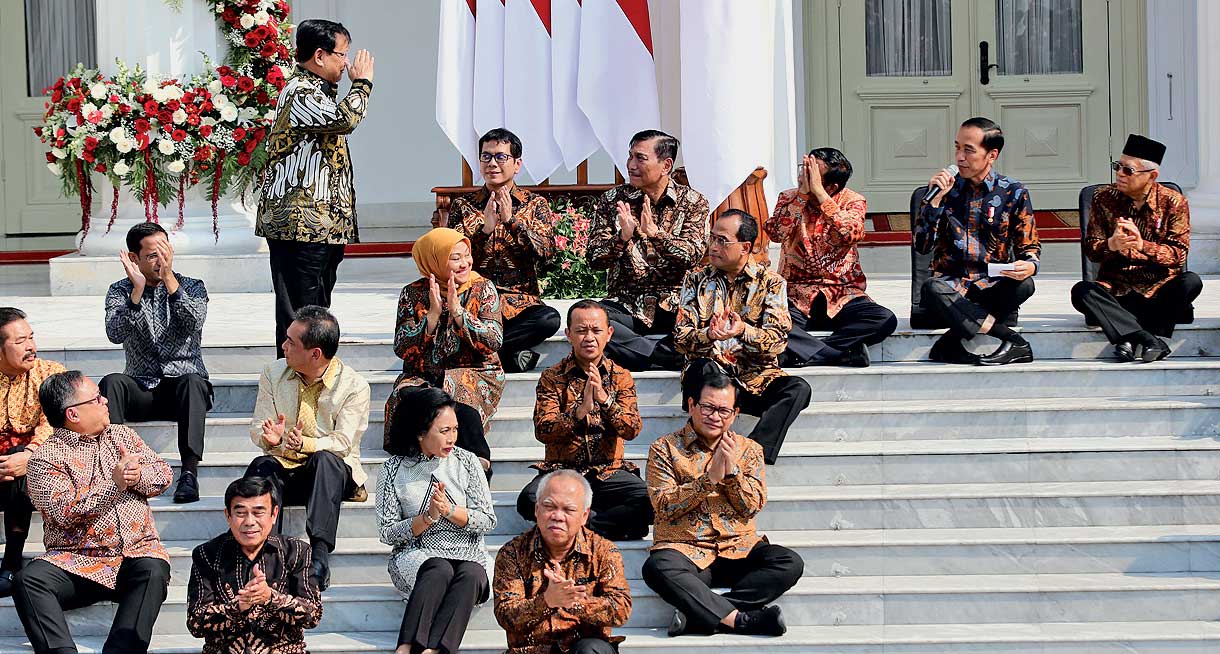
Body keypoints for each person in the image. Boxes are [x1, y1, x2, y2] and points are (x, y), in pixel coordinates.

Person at [14, 370, 173, 654]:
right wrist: (115, 484)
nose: (106, 401)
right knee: (29, 580)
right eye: (97, 398)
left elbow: (162, 473)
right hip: (77, 561)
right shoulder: (44, 460)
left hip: (134, 556)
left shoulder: (122, 434)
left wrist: (137, 476)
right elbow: (64, 512)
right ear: (73, 414)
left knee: (153, 570)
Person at [642, 369, 803, 638]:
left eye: (723, 411)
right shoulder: (664, 449)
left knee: (789, 562)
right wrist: (708, 480)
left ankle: (701, 615)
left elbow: (752, 505)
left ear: (735, 413)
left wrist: (731, 475)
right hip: (686, 550)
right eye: (708, 407)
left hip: (737, 548)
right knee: (657, 567)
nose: (715, 416)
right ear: (692, 405)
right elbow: (663, 505)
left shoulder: (749, 450)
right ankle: (742, 620)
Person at [257, 18, 375, 354]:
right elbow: (344, 120)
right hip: (299, 227)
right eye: (342, 54)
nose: (347, 64)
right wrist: (363, 84)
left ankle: (314, 378)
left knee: (318, 311)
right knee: (300, 314)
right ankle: (292, 382)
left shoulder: (319, 91)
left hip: (321, 227)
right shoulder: (299, 92)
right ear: (320, 55)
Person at [246, 305, 371, 592]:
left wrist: (306, 444)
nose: (283, 346)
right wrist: (271, 440)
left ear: (315, 353)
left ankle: (320, 558)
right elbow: (257, 428)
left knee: (326, 459)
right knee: (260, 467)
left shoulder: (354, 386)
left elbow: (343, 442)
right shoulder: (272, 373)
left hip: (330, 476)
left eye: (291, 342)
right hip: (285, 468)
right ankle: (262, 556)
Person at [674, 209, 812, 465]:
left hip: (755, 379)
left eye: (722, 240)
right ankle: (701, 447)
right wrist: (708, 335)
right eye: (712, 238)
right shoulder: (695, 281)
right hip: (711, 379)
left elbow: (778, 341)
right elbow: (680, 338)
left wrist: (742, 331)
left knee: (798, 389)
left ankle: (752, 454)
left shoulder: (771, 283)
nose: (713, 246)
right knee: (700, 369)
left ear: (745, 246)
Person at [516, 300, 653, 541]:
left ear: (609, 334)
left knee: (649, 500)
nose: (589, 337)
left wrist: (606, 401)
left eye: (596, 330)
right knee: (529, 501)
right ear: (569, 334)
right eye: (581, 331)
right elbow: (543, 430)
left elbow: (632, 429)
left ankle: (579, 525)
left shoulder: (621, 377)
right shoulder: (551, 377)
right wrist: (578, 413)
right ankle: (605, 525)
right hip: (563, 472)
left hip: (609, 472)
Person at [377, 387, 496, 654]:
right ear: (420, 432)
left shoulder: (467, 462)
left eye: (454, 429)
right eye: (444, 431)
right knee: (438, 569)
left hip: (469, 551)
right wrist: (427, 517)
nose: (452, 437)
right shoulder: (392, 469)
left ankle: (437, 651)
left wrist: (450, 511)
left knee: (472, 574)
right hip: (417, 553)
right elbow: (387, 532)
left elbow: (488, 519)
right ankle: (406, 647)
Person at [915, 117, 1041, 366]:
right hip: (952, 287)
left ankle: (949, 344)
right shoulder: (942, 191)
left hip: (991, 286)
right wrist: (935, 203)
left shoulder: (1013, 192)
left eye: (968, 150)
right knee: (931, 288)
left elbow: (1030, 247)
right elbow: (922, 246)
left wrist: (1030, 265)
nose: (959, 157)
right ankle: (1013, 340)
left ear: (991, 155)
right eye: (957, 147)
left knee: (1025, 285)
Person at [100, 221, 211, 504]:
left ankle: (188, 473)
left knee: (193, 382)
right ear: (134, 258)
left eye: (165, 252)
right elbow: (115, 333)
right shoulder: (119, 291)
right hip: (142, 386)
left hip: (183, 390)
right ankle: (116, 465)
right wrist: (136, 294)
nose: (160, 260)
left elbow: (192, 321)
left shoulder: (192, 286)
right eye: (152, 255)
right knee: (111, 382)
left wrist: (170, 279)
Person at [1072, 134, 1203, 362]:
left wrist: (1143, 245)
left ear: (1152, 176)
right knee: (1082, 291)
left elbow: (1178, 255)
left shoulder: (1174, 202)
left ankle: (1126, 337)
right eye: (1118, 167)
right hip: (1117, 290)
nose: (1120, 174)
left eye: (1128, 170)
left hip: (1158, 290)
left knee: (1191, 282)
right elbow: (1092, 250)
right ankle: (1149, 339)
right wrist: (1111, 244)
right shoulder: (1103, 198)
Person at [588, 129, 710, 372]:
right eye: (630, 156)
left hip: (678, 304)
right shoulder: (612, 200)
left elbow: (692, 254)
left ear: (666, 165)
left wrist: (657, 235)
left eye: (640, 158)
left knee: (706, 320)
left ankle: (640, 354)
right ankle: (661, 355)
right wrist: (621, 238)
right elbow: (594, 258)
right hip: (627, 303)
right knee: (591, 318)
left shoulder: (694, 202)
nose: (631, 165)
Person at [387, 227, 502, 477]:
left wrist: (460, 313)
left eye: (466, 255)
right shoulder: (412, 293)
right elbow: (402, 348)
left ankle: (478, 469)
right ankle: (414, 468)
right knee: (411, 398)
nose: (465, 263)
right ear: (434, 260)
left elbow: (493, 341)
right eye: (455, 258)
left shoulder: (483, 288)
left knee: (461, 402)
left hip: (475, 371)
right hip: (424, 374)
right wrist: (432, 316)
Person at [767, 148, 897, 367]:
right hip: (797, 294)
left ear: (831, 185)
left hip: (842, 294)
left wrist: (820, 195)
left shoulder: (853, 200)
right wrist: (801, 198)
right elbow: (776, 233)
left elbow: (850, 233)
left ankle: (807, 352)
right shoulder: (788, 197)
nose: (802, 176)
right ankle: (837, 355)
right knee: (770, 321)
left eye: (811, 173)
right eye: (803, 168)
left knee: (884, 319)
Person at [447, 128, 559, 373]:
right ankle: (508, 357)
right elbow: (450, 259)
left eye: (500, 157)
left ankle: (479, 354)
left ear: (517, 164)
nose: (492, 164)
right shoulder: (463, 206)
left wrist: (511, 222)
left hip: (519, 305)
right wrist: (484, 231)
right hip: (474, 303)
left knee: (548, 319)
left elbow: (547, 254)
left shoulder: (534, 204)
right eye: (486, 157)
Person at [494, 470, 632, 654]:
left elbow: (620, 610)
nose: (557, 516)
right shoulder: (512, 553)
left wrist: (575, 602)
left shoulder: (603, 551)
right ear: (536, 510)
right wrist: (547, 601)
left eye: (568, 510)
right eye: (549, 507)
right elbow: (506, 614)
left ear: (584, 516)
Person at [187, 476, 322, 654]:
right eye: (241, 513)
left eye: (258, 512)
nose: (250, 522)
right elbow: (195, 623)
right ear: (228, 515)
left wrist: (271, 597)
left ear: (274, 514)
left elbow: (312, 615)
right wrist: (237, 606)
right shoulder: (206, 555)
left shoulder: (296, 551)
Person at [0, 308, 65, 597]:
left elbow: (55, 423)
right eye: (21, 341)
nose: (31, 347)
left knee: (20, 466)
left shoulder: (51, 374)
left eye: (31, 338)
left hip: (40, 470)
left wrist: (30, 454)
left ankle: (12, 560)